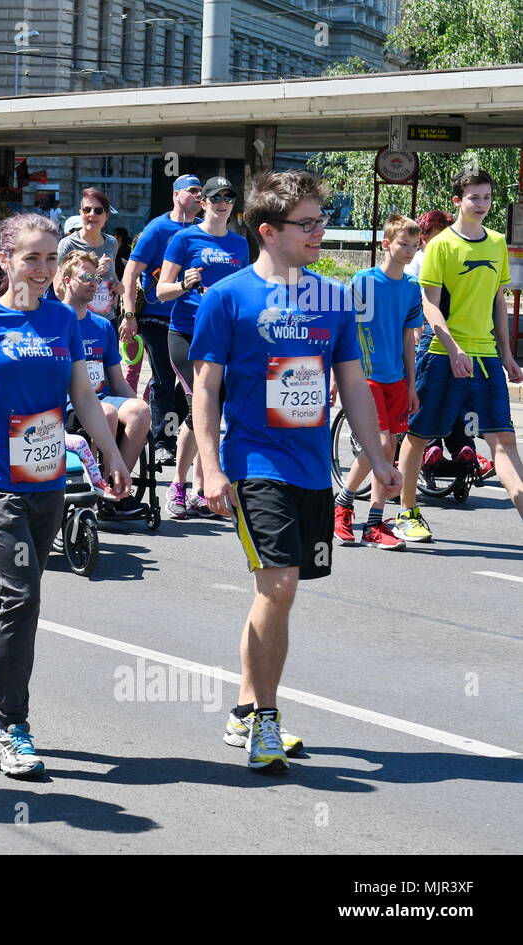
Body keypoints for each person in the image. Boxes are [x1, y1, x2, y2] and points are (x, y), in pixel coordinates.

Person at [190, 170, 396, 772]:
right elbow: (207, 389)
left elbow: (352, 383)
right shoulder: (228, 298)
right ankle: (265, 721)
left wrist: (377, 456)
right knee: (275, 584)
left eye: (321, 220)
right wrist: (209, 466)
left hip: (310, 469)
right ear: (268, 231)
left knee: (282, 595)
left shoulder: (333, 298)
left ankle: (244, 709)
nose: (320, 232)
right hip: (255, 462)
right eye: (307, 224)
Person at [0, 213, 130, 778]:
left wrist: (111, 454)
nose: (40, 270)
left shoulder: (64, 320)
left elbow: (83, 396)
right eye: (30, 258)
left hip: (48, 484)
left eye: (48, 259)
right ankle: (14, 724)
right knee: (23, 597)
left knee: (11, 601)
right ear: (4, 260)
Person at [394, 167, 523, 538]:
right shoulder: (440, 245)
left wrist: (507, 353)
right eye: (474, 197)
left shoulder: (497, 242)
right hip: (440, 354)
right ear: (458, 201)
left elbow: (498, 300)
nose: (481, 204)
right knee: (419, 436)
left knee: (504, 441)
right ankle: (407, 511)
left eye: (486, 197)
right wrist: (452, 349)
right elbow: (429, 305)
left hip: (485, 358)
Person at [156, 176, 250, 519]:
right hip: (186, 333)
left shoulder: (240, 245)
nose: (222, 202)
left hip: (225, 338)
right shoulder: (184, 238)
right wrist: (185, 283)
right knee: (200, 408)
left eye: (228, 196)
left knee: (213, 412)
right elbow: (162, 291)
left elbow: (243, 292)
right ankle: (178, 486)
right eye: (215, 197)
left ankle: (200, 489)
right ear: (204, 203)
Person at [332, 215, 423, 550]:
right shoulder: (363, 281)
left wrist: (411, 385)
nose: (410, 251)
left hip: (396, 380)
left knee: (390, 448)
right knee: (381, 444)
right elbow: (343, 330)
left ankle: (374, 523)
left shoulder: (412, 288)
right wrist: (335, 375)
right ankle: (341, 505)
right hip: (364, 375)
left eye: (415, 246)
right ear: (386, 244)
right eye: (403, 244)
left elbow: (407, 340)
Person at [120, 175, 203, 464]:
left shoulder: (203, 231)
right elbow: (130, 273)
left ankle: (166, 427)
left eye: (201, 192)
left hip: (193, 319)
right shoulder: (157, 228)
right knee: (164, 378)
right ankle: (162, 441)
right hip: (158, 317)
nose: (198, 196)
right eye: (192, 191)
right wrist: (129, 314)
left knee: (199, 382)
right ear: (176, 195)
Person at [56, 249, 150, 488]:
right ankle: (102, 486)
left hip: (102, 396)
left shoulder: (102, 325)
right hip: (69, 403)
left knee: (139, 410)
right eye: (85, 278)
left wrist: (142, 411)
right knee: (106, 412)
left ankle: (117, 485)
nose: (93, 284)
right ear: (67, 281)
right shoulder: (53, 320)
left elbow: (117, 380)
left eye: (96, 279)